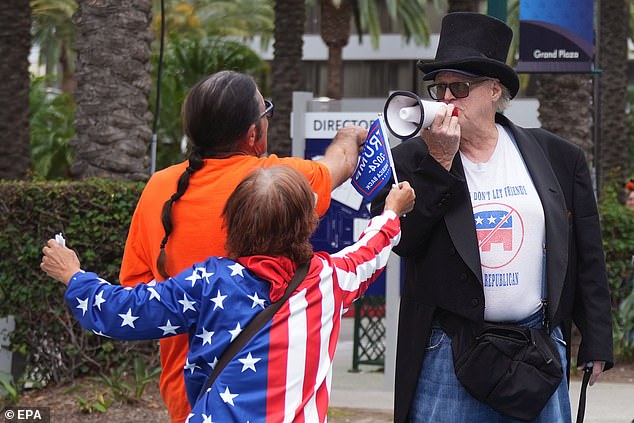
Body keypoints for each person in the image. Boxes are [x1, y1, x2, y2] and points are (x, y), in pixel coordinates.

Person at [371, 12, 614, 423]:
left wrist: (596, 340)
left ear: (493, 90)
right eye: (439, 87)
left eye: (460, 87)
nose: (446, 99)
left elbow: (586, 255)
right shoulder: (412, 160)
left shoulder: (557, 156)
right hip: (448, 349)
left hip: (535, 349)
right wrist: (440, 162)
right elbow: (403, 240)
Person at [41, 165, 416, 423]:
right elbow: (371, 250)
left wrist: (74, 275)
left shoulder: (210, 282)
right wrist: (392, 211)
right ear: (306, 225)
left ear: (233, 222)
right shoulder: (330, 281)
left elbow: (125, 311)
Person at [118, 70, 368, 422]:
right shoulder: (280, 181)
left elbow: (136, 290)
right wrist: (348, 135)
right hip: (272, 393)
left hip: (190, 392)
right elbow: (339, 164)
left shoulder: (160, 189)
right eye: (265, 112)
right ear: (254, 133)